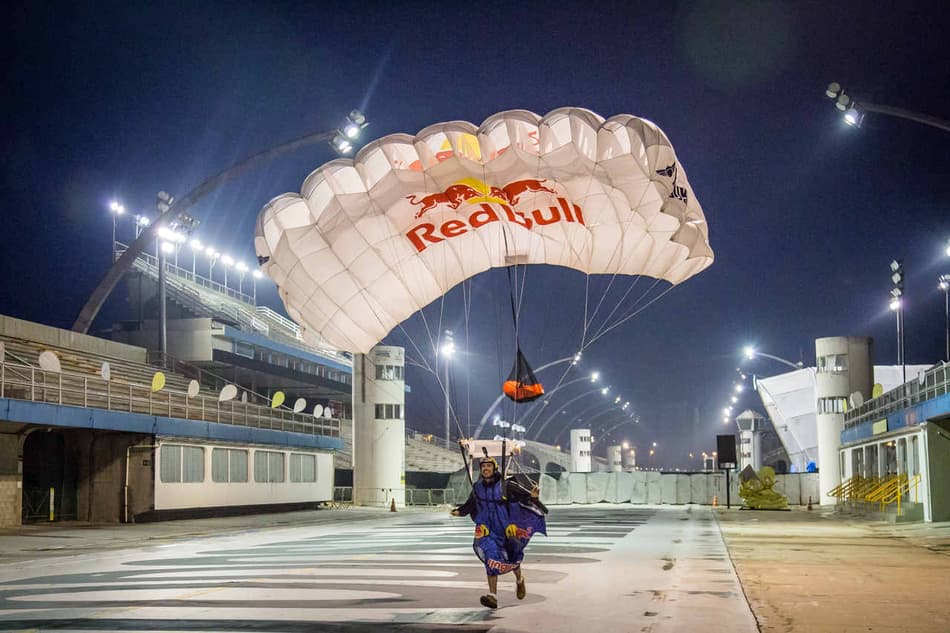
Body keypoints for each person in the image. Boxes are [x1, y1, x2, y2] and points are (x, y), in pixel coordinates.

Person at [450, 455, 547, 609]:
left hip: (507, 528)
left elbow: (525, 496)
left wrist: (533, 497)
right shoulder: (477, 487)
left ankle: (520, 579)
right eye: (483, 467)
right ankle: (492, 596)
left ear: (494, 469)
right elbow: (470, 505)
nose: (486, 469)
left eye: (489, 466)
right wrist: (459, 511)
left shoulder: (506, 485)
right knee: (491, 558)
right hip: (487, 529)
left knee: (513, 557)